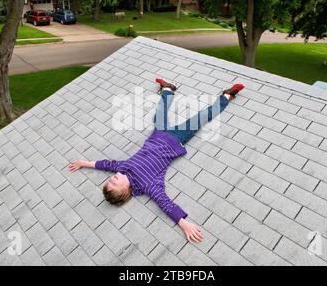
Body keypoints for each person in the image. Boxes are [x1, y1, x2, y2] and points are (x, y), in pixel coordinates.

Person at [69, 78, 245, 243]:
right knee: (203, 116)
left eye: (109, 181)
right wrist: (184, 223)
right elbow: (164, 203)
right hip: (177, 138)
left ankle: (168, 89)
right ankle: (227, 96)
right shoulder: (147, 185)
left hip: (158, 133)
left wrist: (84, 163)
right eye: (114, 184)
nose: (112, 179)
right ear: (125, 191)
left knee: (159, 114)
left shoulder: (123, 168)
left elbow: (105, 164)